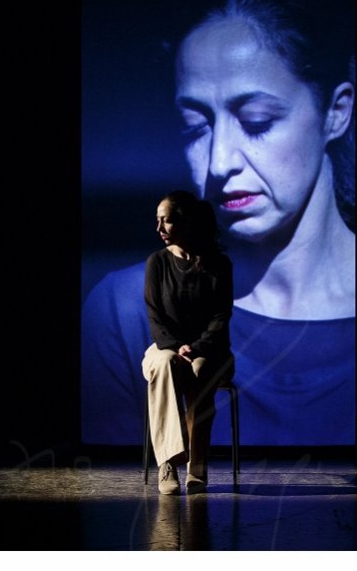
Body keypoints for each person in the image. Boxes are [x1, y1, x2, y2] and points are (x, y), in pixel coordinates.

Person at [81, 0, 356, 447]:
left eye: (256, 121)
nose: (219, 162)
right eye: (195, 127)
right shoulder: (124, 310)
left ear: (336, 112)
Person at [142, 190, 234, 494]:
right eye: (157, 220)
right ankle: (168, 462)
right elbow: (155, 318)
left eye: (166, 220)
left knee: (200, 369)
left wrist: (195, 348)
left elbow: (221, 316)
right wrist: (176, 346)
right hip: (166, 347)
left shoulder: (219, 264)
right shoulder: (157, 263)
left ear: (187, 222)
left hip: (209, 349)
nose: (159, 228)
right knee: (165, 365)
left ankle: (197, 464)